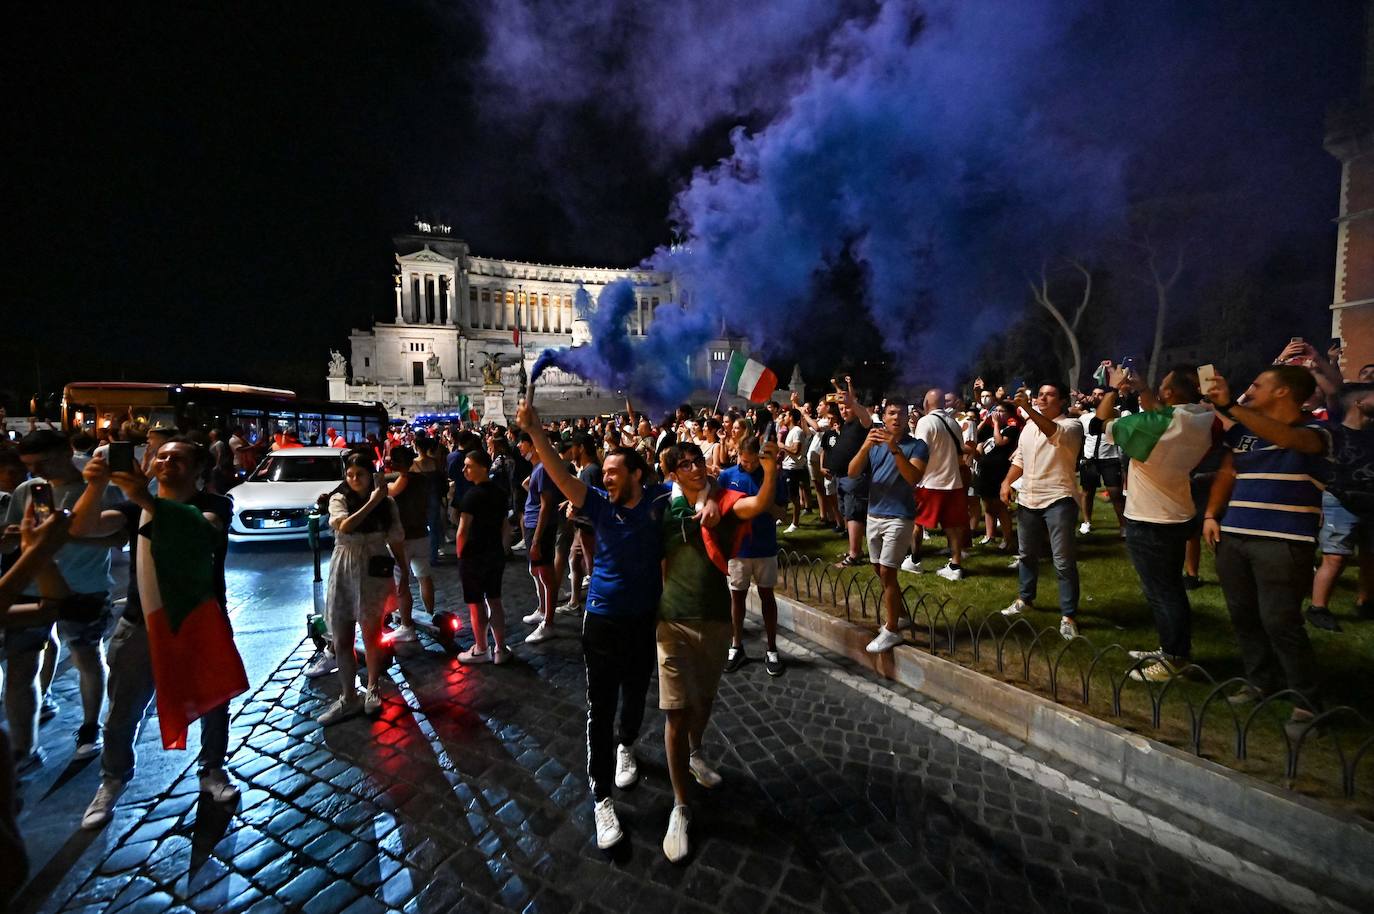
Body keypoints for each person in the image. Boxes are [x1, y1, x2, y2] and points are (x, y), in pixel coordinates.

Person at [514, 399, 685, 853]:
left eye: (613, 471)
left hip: (643, 620)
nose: (603, 476)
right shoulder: (599, 507)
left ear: (635, 475)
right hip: (602, 621)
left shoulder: (658, 500)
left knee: (636, 696)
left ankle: (628, 745)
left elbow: (698, 483)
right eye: (603, 470)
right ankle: (601, 798)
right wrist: (535, 434)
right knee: (599, 708)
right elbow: (563, 475)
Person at [69, 438, 242, 828]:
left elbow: (199, 531)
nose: (166, 462)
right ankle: (112, 780)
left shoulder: (214, 506)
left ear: (199, 470)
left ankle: (211, 769)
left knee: (215, 703)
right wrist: (96, 485)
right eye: (161, 456)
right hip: (141, 621)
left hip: (201, 620)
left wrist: (141, 497)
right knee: (123, 708)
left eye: (177, 458)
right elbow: (84, 527)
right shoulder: (135, 509)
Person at [656, 439, 780, 862]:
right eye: (685, 465)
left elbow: (759, 505)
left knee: (703, 701)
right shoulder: (663, 510)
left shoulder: (724, 502)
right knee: (675, 710)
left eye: (698, 461)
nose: (696, 468)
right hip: (671, 621)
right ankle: (680, 804)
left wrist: (769, 467)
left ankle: (695, 752)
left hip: (713, 621)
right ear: (673, 474)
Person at [1203, 365, 1329, 737]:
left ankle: (1308, 704)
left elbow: (1291, 442)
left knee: (1280, 621)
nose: (1250, 389)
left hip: (1283, 541)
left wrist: (1232, 407)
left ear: (1283, 392)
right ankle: (1260, 682)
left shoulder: (1317, 431)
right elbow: (1228, 473)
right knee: (1243, 615)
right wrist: (1212, 513)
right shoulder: (1244, 432)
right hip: (1235, 536)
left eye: (1258, 385)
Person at [2, 430, 125, 773]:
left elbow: (118, 539)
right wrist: (17, 539)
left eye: (43, 462)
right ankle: (23, 748)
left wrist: (66, 536)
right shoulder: (29, 491)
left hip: (84, 589)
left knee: (87, 656)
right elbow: (12, 540)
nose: (37, 471)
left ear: (66, 452)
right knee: (21, 667)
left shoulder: (100, 488)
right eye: (29, 465)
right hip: (33, 588)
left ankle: (90, 727)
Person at [1096, 367, 1216, 681]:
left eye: (1162, 387)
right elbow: (1162, 413)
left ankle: (1174, 659)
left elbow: (1099, 423)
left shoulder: (1150, 424)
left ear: (1169, 394)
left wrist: (1112, 389)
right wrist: (1145, 390)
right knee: (1171, 587)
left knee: (1161, 592)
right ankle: (1171, 648)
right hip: (1178, 513)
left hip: (1149, 519)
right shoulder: (1201, 416)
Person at [318, 454, 409, 725]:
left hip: (374, 569)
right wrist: (372, 502)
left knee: (372, 634)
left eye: (360, 474)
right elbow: (344, 525)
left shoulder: (388, 504)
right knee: (342, 637)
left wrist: (403, 571)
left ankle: (372, 687)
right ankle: (348, 696)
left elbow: (396, 539)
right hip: (345, 566)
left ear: (372, 475)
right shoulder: (339, 499)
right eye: (350, 474)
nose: (354, 479)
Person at [999, 383, 1086, 639]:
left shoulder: (1071, 426)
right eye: (1040, 395)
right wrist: (1006, 482)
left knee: (1063, 561)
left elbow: (1054, 434)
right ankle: (1025, 598)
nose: (1043, 398)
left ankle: (1068, 614)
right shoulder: (1028, 427)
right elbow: (1020, 460)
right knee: (1026, 554)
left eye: (1050, 394)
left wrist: (1027, 408)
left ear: (1060, 401)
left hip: (1058, 499)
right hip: (1028, 499)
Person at [848, 402, 927, 653]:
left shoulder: (917, 445)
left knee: (887, 573)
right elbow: (852, 472)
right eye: (891, 413)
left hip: (899, 516)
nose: (896, 418)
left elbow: (914, 477)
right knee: (877, 568)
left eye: (901, 413)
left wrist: (894, 449)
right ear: (883, 417)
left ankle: (892, 630)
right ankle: (901, 615)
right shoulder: (875, 443)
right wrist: (865, 446)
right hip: (874, 513)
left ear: (908, 418)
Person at [719, 435, 790, 675]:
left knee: (767, 596)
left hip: (764, 546)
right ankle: (736, 645)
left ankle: (772, 649)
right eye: (744, 460)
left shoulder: (773, 475)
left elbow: (785, 514)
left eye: (752, 462)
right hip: (738, 548)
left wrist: (763, 502)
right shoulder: (728, 476)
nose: (747, 465)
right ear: (737, 454)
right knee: (736, 598)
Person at [1309, 383, 1374, 631]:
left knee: (1370, 555)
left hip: (1371, 500)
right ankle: (1318, 607)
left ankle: (1366, 600)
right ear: (1358, 402)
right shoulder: (1334, 432)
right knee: (1335, 556)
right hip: (1341, 500)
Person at [905, 388, 970, 580]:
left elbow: (921, 451)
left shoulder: (925, 422)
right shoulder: (953, 423)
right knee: (953, 526)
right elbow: (960, 454)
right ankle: (956, 565)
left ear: (926, 404)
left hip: (931, 482)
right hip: (953, 482)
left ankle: (915, 560)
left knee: (917, 523)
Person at [455, 449, 511, 664]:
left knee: (476, 603)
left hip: (474, 555)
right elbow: (505, 525)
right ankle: (500, 648)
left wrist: (461, 555)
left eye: (469, 465)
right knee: (495, 600)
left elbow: (462, 531)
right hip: (494, 553)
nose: (464, 470)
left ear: (483, 468)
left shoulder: (471, 496)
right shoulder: (499, 493)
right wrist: (504, 549)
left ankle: (480, 648)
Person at [518, 432, 565, 643]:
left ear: (534, 445)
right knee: (536, 570)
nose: (519, 446)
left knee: (545, 574)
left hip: (539, 527)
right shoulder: (538, 468)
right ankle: (542, 609)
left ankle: (548, 622)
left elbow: (547, 505)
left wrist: (536, 539)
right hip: (532, 524)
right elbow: (528, 486)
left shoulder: (543, 468)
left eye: (522, 442)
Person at [385, 445, 431, 642]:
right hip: (422, 533)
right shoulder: (422, 479)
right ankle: (430, 614)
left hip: (402, 539)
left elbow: (391, 491)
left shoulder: (398, 481)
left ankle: (406, 626)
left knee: (402, 583)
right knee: (424, 576)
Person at [828, 378, 873, 567]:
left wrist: (851, 402)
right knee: (847, 512)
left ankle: (854, 555)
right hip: (842, 477)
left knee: (854, 514)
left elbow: (866, 416)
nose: (843, 410)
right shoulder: (846, 425)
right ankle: (854, 549)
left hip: (855, 477)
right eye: (840, 408)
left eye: (846, 407)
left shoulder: (862, 422)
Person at [1078, 386, 1127, 535]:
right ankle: (1087, 521)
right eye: (1094, 394)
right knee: (1087, 492)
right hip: (1090, 459)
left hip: (1110, 458)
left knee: (1115, 494)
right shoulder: (1085, 418)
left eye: (1100, 395)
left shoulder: (1119, 415)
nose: (1096, 397)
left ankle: (1123, 525)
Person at [972, 404, 1018, 551]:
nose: (997, 413)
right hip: (985, 471)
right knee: (988, 506)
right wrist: (985, 423)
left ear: (1009, 414)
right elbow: (976, 439)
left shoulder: (1011, 429)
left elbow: (999, 442)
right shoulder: (988, 430)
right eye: (995, 411)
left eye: (1001, 411)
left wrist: (997, 424)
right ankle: (989, 535)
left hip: (999, 472)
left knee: (1000, 507)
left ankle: (1008, 539)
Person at [778, 407, 808, 533]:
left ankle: (795, 523)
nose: (783, 417)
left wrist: (782, 446)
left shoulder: (797, 431)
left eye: (786, 415)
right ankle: (784, 518)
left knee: (794, 497)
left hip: (793, 468)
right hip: (787, 467)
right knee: (787, 495)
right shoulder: (791, 431)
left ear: (791, 417)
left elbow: (796, 450)